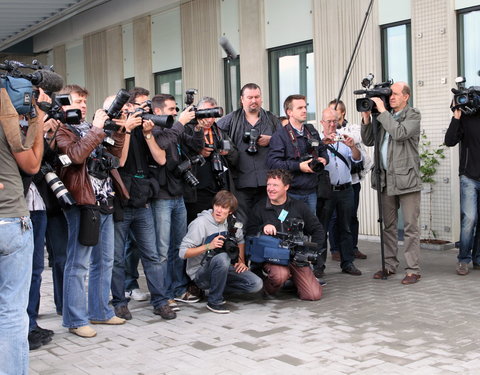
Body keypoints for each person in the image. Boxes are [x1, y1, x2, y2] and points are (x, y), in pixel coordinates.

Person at [56, 87, 128, 337]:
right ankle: (76, 319)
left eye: (85, 101)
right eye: (78, 101)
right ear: (64, 104)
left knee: (105, 260)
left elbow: (114, 157)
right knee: (78, 263)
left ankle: (100, 311)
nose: (84, 105)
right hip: (82, 201)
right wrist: (97, 129)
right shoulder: (61, 129)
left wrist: (118, 130)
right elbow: (76, 156)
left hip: (105, 198)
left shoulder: (89, 127)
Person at [111, 88, 183, 321]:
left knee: (152, 255)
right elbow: (119, 161)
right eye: (140, 107)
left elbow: (161, 159)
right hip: (121, 203)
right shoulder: (111, 131)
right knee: (118, 258)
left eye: (146, 108)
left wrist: (149, 134)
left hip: (142, 202)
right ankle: (120, 302)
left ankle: (160, 301)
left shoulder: (144, 130)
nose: (144, 111)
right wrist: (127, 130)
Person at [0, 85, 46, 374]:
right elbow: (31, 164)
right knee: (12, 312)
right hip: (10, 220)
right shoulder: (7, 124)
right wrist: (37, 122)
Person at [361, 81, 422, 284]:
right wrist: (367, 117)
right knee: (389, 225)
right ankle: (389, 265)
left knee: (411, 227)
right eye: (389, 94)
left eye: (395, 94)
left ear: (406, 96)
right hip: (385, 178)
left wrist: (382, 111)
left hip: (407, 179)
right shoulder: (382, 116)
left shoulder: (413, 115)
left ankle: (413, 269)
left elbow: (399, 133)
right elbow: (369, 141)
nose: (391, 97)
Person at [149, 93, 203, 311]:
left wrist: (197, 128)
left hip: (178, 193)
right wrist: (180, 122)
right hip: (161, 196)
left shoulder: (176, 129)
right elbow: (162, 144)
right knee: (162, 250)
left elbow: (194, 145)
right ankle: (163, 294)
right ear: (158, 111)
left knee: (178, 246)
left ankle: (178, 287)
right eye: (171, 109)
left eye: (175, 109)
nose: (175, 112)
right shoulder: (152, 129)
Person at [179, 190, 263, 313]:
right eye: (217, 206)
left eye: (224, 208)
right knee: (223, 257)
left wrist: (241, 261)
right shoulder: (200, 223)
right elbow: (183, 253)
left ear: (230, 211)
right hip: (200, 273)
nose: (218, 210)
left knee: (256, 284)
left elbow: (240, 240)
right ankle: (214, 301)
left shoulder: (232, 222)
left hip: (223, 268)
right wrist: (208, 246)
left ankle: (216, 288)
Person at [246, 169, 323, 300]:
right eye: (269, 185)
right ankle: (265, 290)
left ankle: (292, 282)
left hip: (295, 256)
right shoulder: (259, 207)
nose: (270, 189)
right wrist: (263, 227)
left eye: (275, 185)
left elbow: (318, 230)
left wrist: (308, 252)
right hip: (272, 256)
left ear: (286, 187)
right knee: (280, 275)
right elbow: (249, 233)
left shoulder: (299, 206)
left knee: (313, 295)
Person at [217, 83, 282, 225]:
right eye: (250, 97)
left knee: (268, 222)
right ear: (242, 99)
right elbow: (213, 133)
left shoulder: (272, 119)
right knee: (242, 224)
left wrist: (271, 140)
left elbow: (285, 142)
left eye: (257, 97)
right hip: (241, 183)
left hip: (268, 183)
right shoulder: (231, 119)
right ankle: (244, 248)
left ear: (261, 98)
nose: (254, 100)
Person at [317, 108, 363, 276]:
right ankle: (319, 266)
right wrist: (323, 144)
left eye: (334, 121)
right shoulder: (317, 140)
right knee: (322, 229)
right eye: (328, 121)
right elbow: (311, 159)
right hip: (327, 191)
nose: (332, 124)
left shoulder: (344, 138)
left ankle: (348, 262)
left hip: (345, 189)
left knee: (346, 227)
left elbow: (357, 159)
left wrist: (352, 147)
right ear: (322, 122)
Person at [267, 94, 328, 214]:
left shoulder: (311, 131)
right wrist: (299, 166)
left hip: (311, 192)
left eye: (305, 107)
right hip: (290, 193)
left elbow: (322, 150)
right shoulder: (280, 135)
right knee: (286, 226)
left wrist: (324, 160)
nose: (304, 110)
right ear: (289, 112)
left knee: (310, 227)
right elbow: (273, 163)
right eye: (299, 108)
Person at [327, 99, 372, 261]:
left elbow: (356, 137)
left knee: (351, 216)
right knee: (333, 218)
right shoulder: (325, 133)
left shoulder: (352, 128)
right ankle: (335, 249)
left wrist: (337, 132)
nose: (333, 113)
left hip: (352, 181)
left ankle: (353, 247)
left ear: (343, 112)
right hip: (333, 184)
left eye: (335, 110)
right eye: (330, 110)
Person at [182, 96, 238, 224]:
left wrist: (227, 152)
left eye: (213, 115)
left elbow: (236, 157)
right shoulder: (187, 129)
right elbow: (179, 155)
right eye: (206, 114)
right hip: (194, 189)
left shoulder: (218, 131)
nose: (209, 119)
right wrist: (198, 151)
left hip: (216, 187)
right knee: (196, 225)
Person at [444, 103, 480, 275]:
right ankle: (463, 259)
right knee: (470, 218)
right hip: (469, 176)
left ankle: (478, 258)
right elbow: (450, 141)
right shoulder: (466, 117)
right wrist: (456, 117)